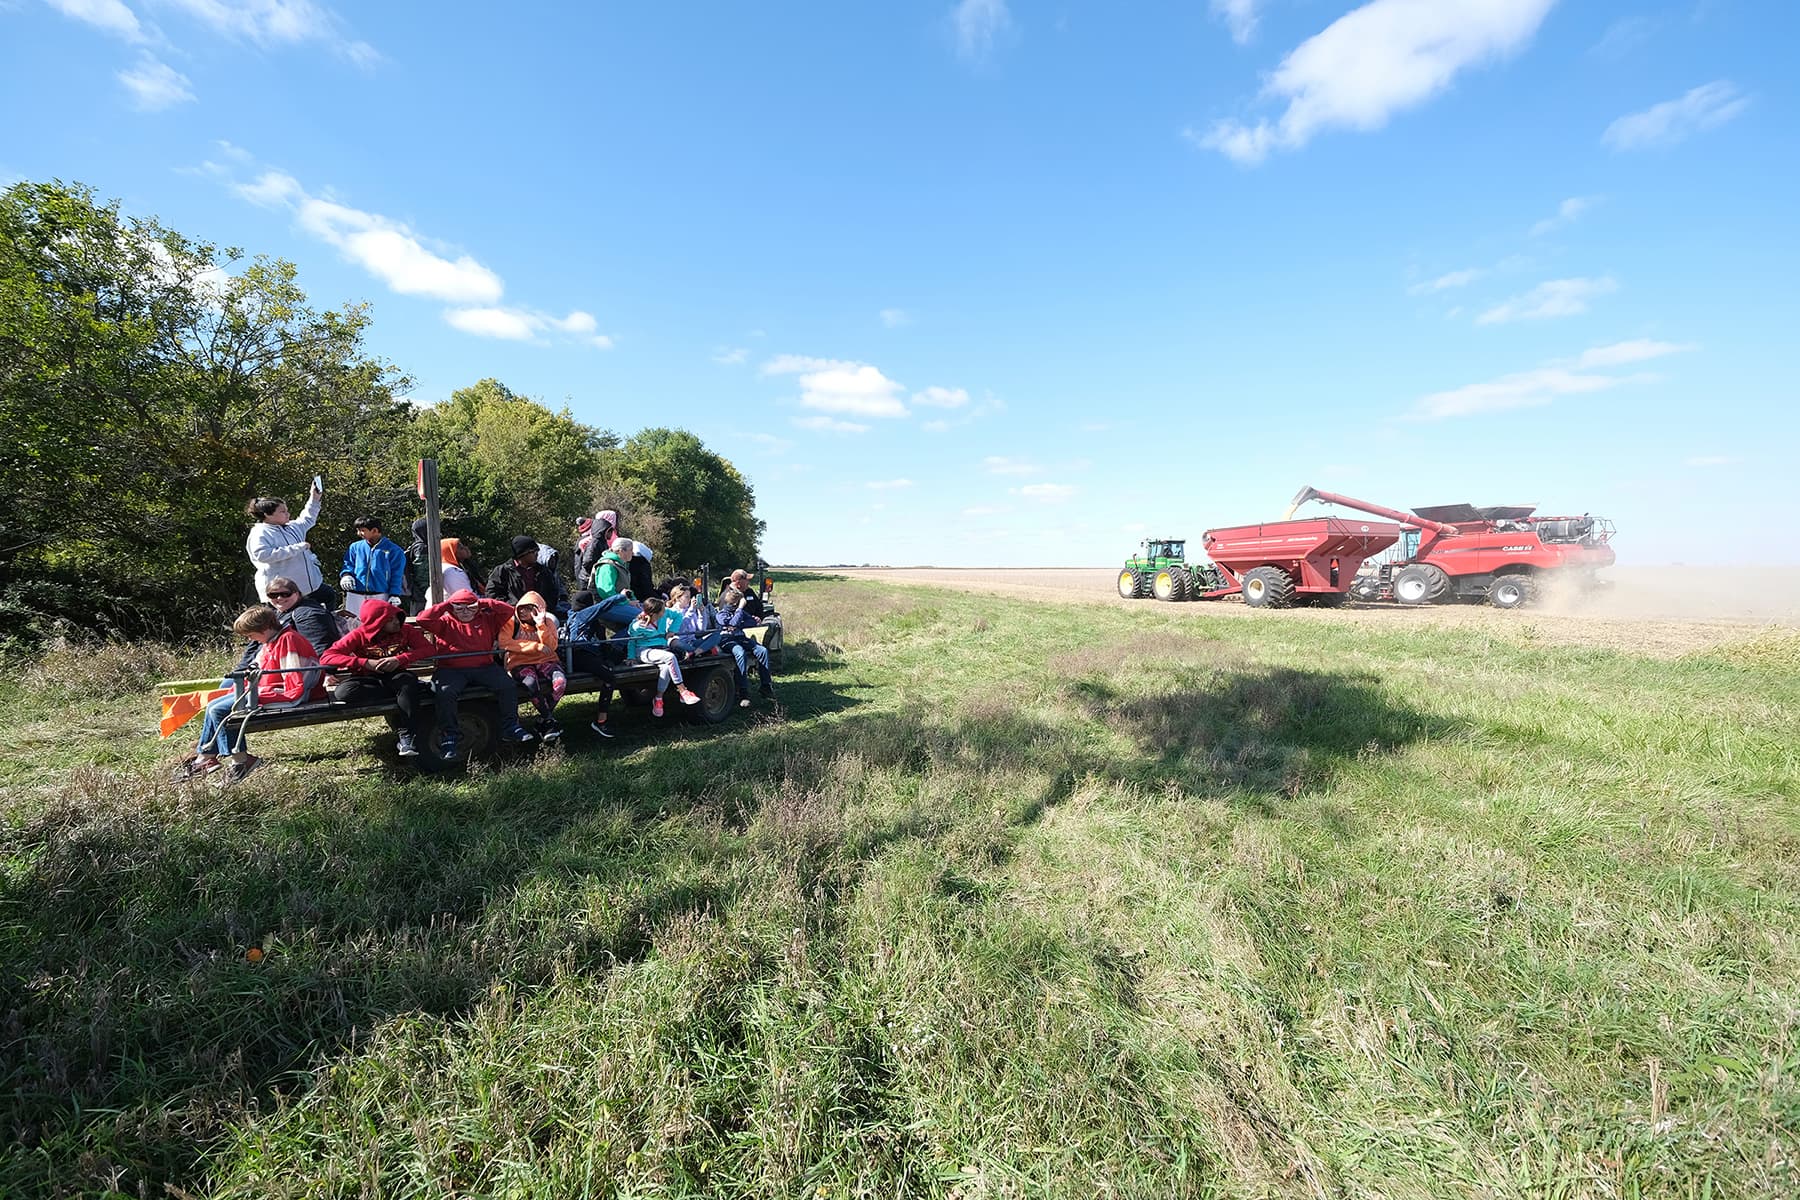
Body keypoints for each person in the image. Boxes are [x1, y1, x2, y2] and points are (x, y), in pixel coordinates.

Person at [175, 605, 325, 785]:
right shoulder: (272, 641)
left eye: (250, 634)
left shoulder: (288, 640)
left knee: (221, 710)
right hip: (269, 689)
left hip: (289, 694)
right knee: (214, 704)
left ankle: (241, 760)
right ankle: (205, 757)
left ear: (264, 628)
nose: (249, 638)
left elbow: (295, 681)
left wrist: (259, 689)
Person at [415, 588, 535, 756]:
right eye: (460, 608)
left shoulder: (487, 619)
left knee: (507, 685)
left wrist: (484, 602)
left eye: (470, 607)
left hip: (484, 666)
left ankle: (511, 727)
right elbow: (422, 619)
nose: (465, 612)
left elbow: (508, 610)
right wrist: (446, 606)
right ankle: (449, 735)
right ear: (453, 607)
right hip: (451, 669)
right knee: (444, 692)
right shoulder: (444, 622)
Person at [320, 598, 435, 758]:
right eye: (390, 619)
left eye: (396, 616)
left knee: (406, 682)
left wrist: (400, 659)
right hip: (368, 678)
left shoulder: (406, 630)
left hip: (397, 675)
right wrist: (365, 663)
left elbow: (428, 649)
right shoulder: (359, 635)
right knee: (343, 692)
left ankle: (407, 735)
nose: (396, 622)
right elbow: (327, 657)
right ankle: (405, 694)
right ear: (377, 622)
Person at [245, 482, 327, 603]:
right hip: (282, 594)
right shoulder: (260, 532)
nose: (288, 514)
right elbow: (263, 555)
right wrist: (297, 548)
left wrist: (314, 499)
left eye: (287, 511)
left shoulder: (291, 527)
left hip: (308, 588)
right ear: (267, 515)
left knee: (328, 596)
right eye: (282, 512)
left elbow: (307, 518)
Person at [502, 590, 566, 741]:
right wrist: (534, 647)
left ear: (538, 609)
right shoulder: (512, 622)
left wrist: (540, 626)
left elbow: (552, 646)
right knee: (531, 683)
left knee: (560, 683)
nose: (523, 611)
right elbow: (505, 643)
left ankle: (543, 720)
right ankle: (548, 720)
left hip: (547, 660)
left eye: (529, 608)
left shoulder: (547, 623)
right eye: (521, 608)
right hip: (520, 662)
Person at [625, 596, 699, 717]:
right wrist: (631, 657)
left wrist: (672, 630)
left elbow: (678, 616)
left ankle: (658, 698)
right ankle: (683, 690)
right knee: (670, 657)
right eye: (663, 611)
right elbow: (632, 641)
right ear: (655, 613)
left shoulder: (664, 613)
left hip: (661, 648)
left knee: (666, 668)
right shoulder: (637, 625)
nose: (665, 612)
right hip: (645, 651)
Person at [339, 516, 407, 617]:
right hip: (355, 594)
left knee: (378, 625)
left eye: (362, 530)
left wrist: (394, 594)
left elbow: (397, 575)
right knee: (353, 625)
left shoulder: (394, 550)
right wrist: (346, 575)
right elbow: (348, 564)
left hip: (380, 594)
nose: (359, 534)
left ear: (375, 530)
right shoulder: (355, 547)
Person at [718, 586, 776, 706]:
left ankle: (766, 685)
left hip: (740, 637)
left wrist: (739, 621)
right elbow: (732, 623)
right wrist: (739, 613)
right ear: (735, 603)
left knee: (762, 650)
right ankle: (742, 690)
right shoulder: (722, 614)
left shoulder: (740, 613)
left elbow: (752, 622)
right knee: (740, 653)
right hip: (727, 640)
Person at [488, 535, 566, 616]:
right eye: (533, 551)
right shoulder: (502, 571)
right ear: (522, 554)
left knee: (554, 621)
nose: (537, 554)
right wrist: (513, 608)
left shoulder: (543, 571)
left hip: (540, 614)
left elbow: (553, 593)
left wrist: (543, 608)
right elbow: (492, 594)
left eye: (537, 551)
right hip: (511, 615)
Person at [589, 537, 641, 628]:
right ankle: (620, 641)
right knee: (645, 617)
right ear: (621, 551)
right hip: (606, 607)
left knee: (656, 612)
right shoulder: (607, 566)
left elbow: (625, 589)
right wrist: (627, 603)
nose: (632, 553)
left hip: (619, 603)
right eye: (630, 550)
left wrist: (633, 600)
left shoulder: (619, 565)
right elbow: (606, 593)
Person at [575, 509, 617, 582]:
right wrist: (598, 571)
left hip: (587, 578)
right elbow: (587, 562)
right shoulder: (594, 542)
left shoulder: (595, 540)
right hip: (589, 579)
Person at [405, 517, 431, 610]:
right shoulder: (422, 548)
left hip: (417, 593)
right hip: (423, 594)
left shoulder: (415, 546)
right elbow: (422, 574)